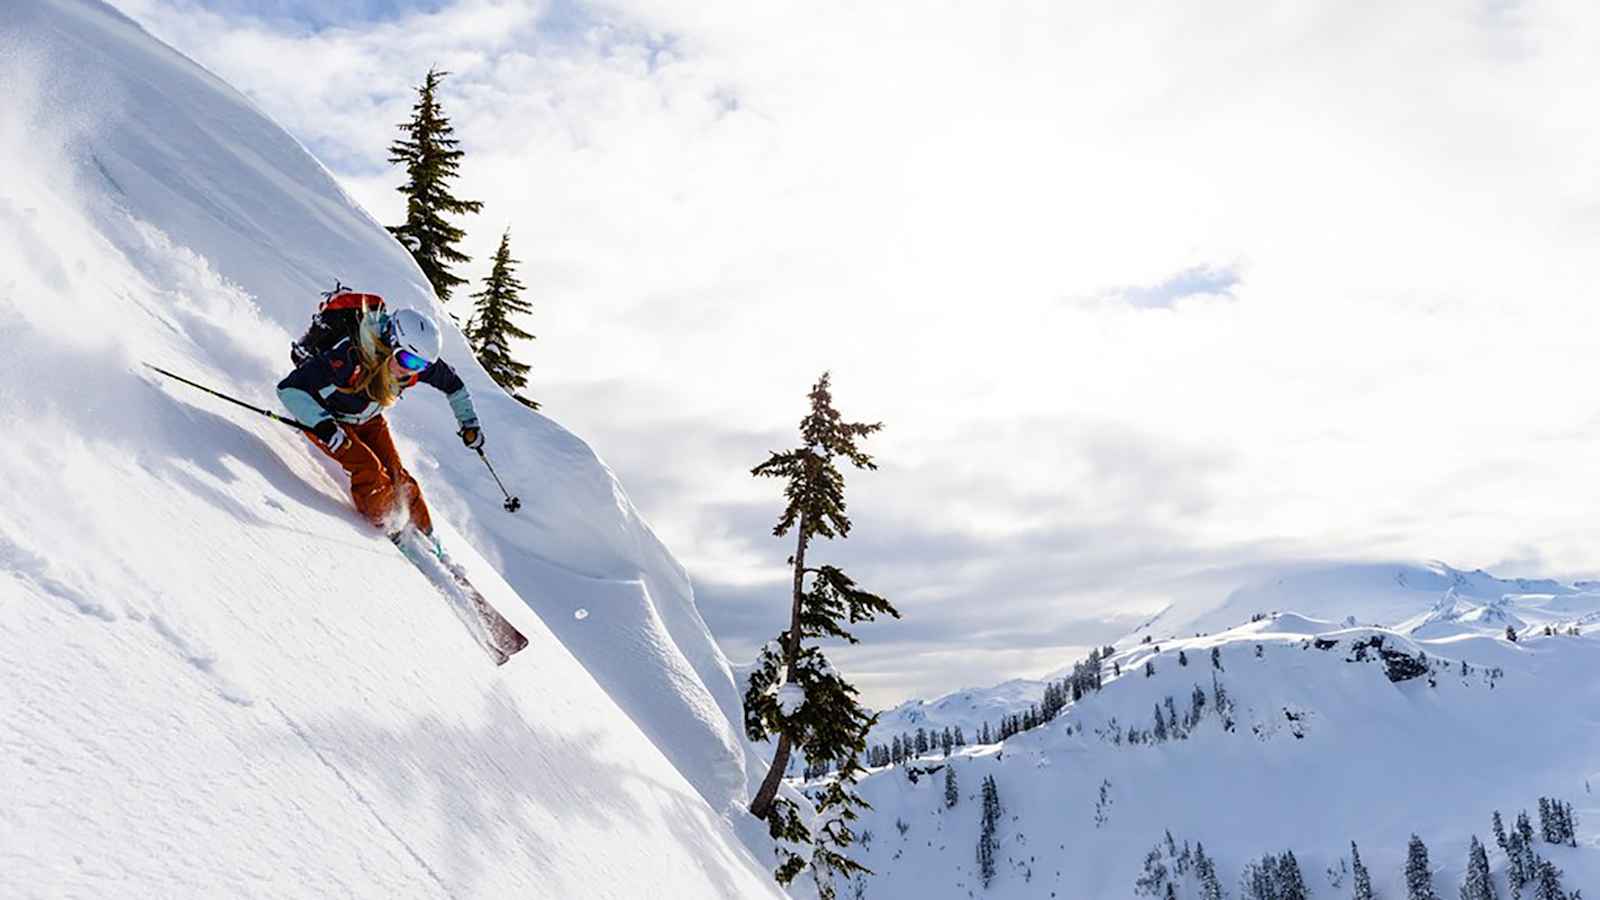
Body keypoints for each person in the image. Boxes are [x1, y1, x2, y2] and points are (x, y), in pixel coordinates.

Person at [277, 300, 483, 537]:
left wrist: (469, 423)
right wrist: (323, 425)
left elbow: (454, 386)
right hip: (330, 421)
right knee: (369, 468)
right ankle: (384, 522)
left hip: (369, 420)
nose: (411, 370)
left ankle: (424, 533)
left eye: (421, 365)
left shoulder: (412, 358)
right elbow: (289, 388)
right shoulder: (348, 356)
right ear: (391, 342)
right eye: (408, 360)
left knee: (398, 476)